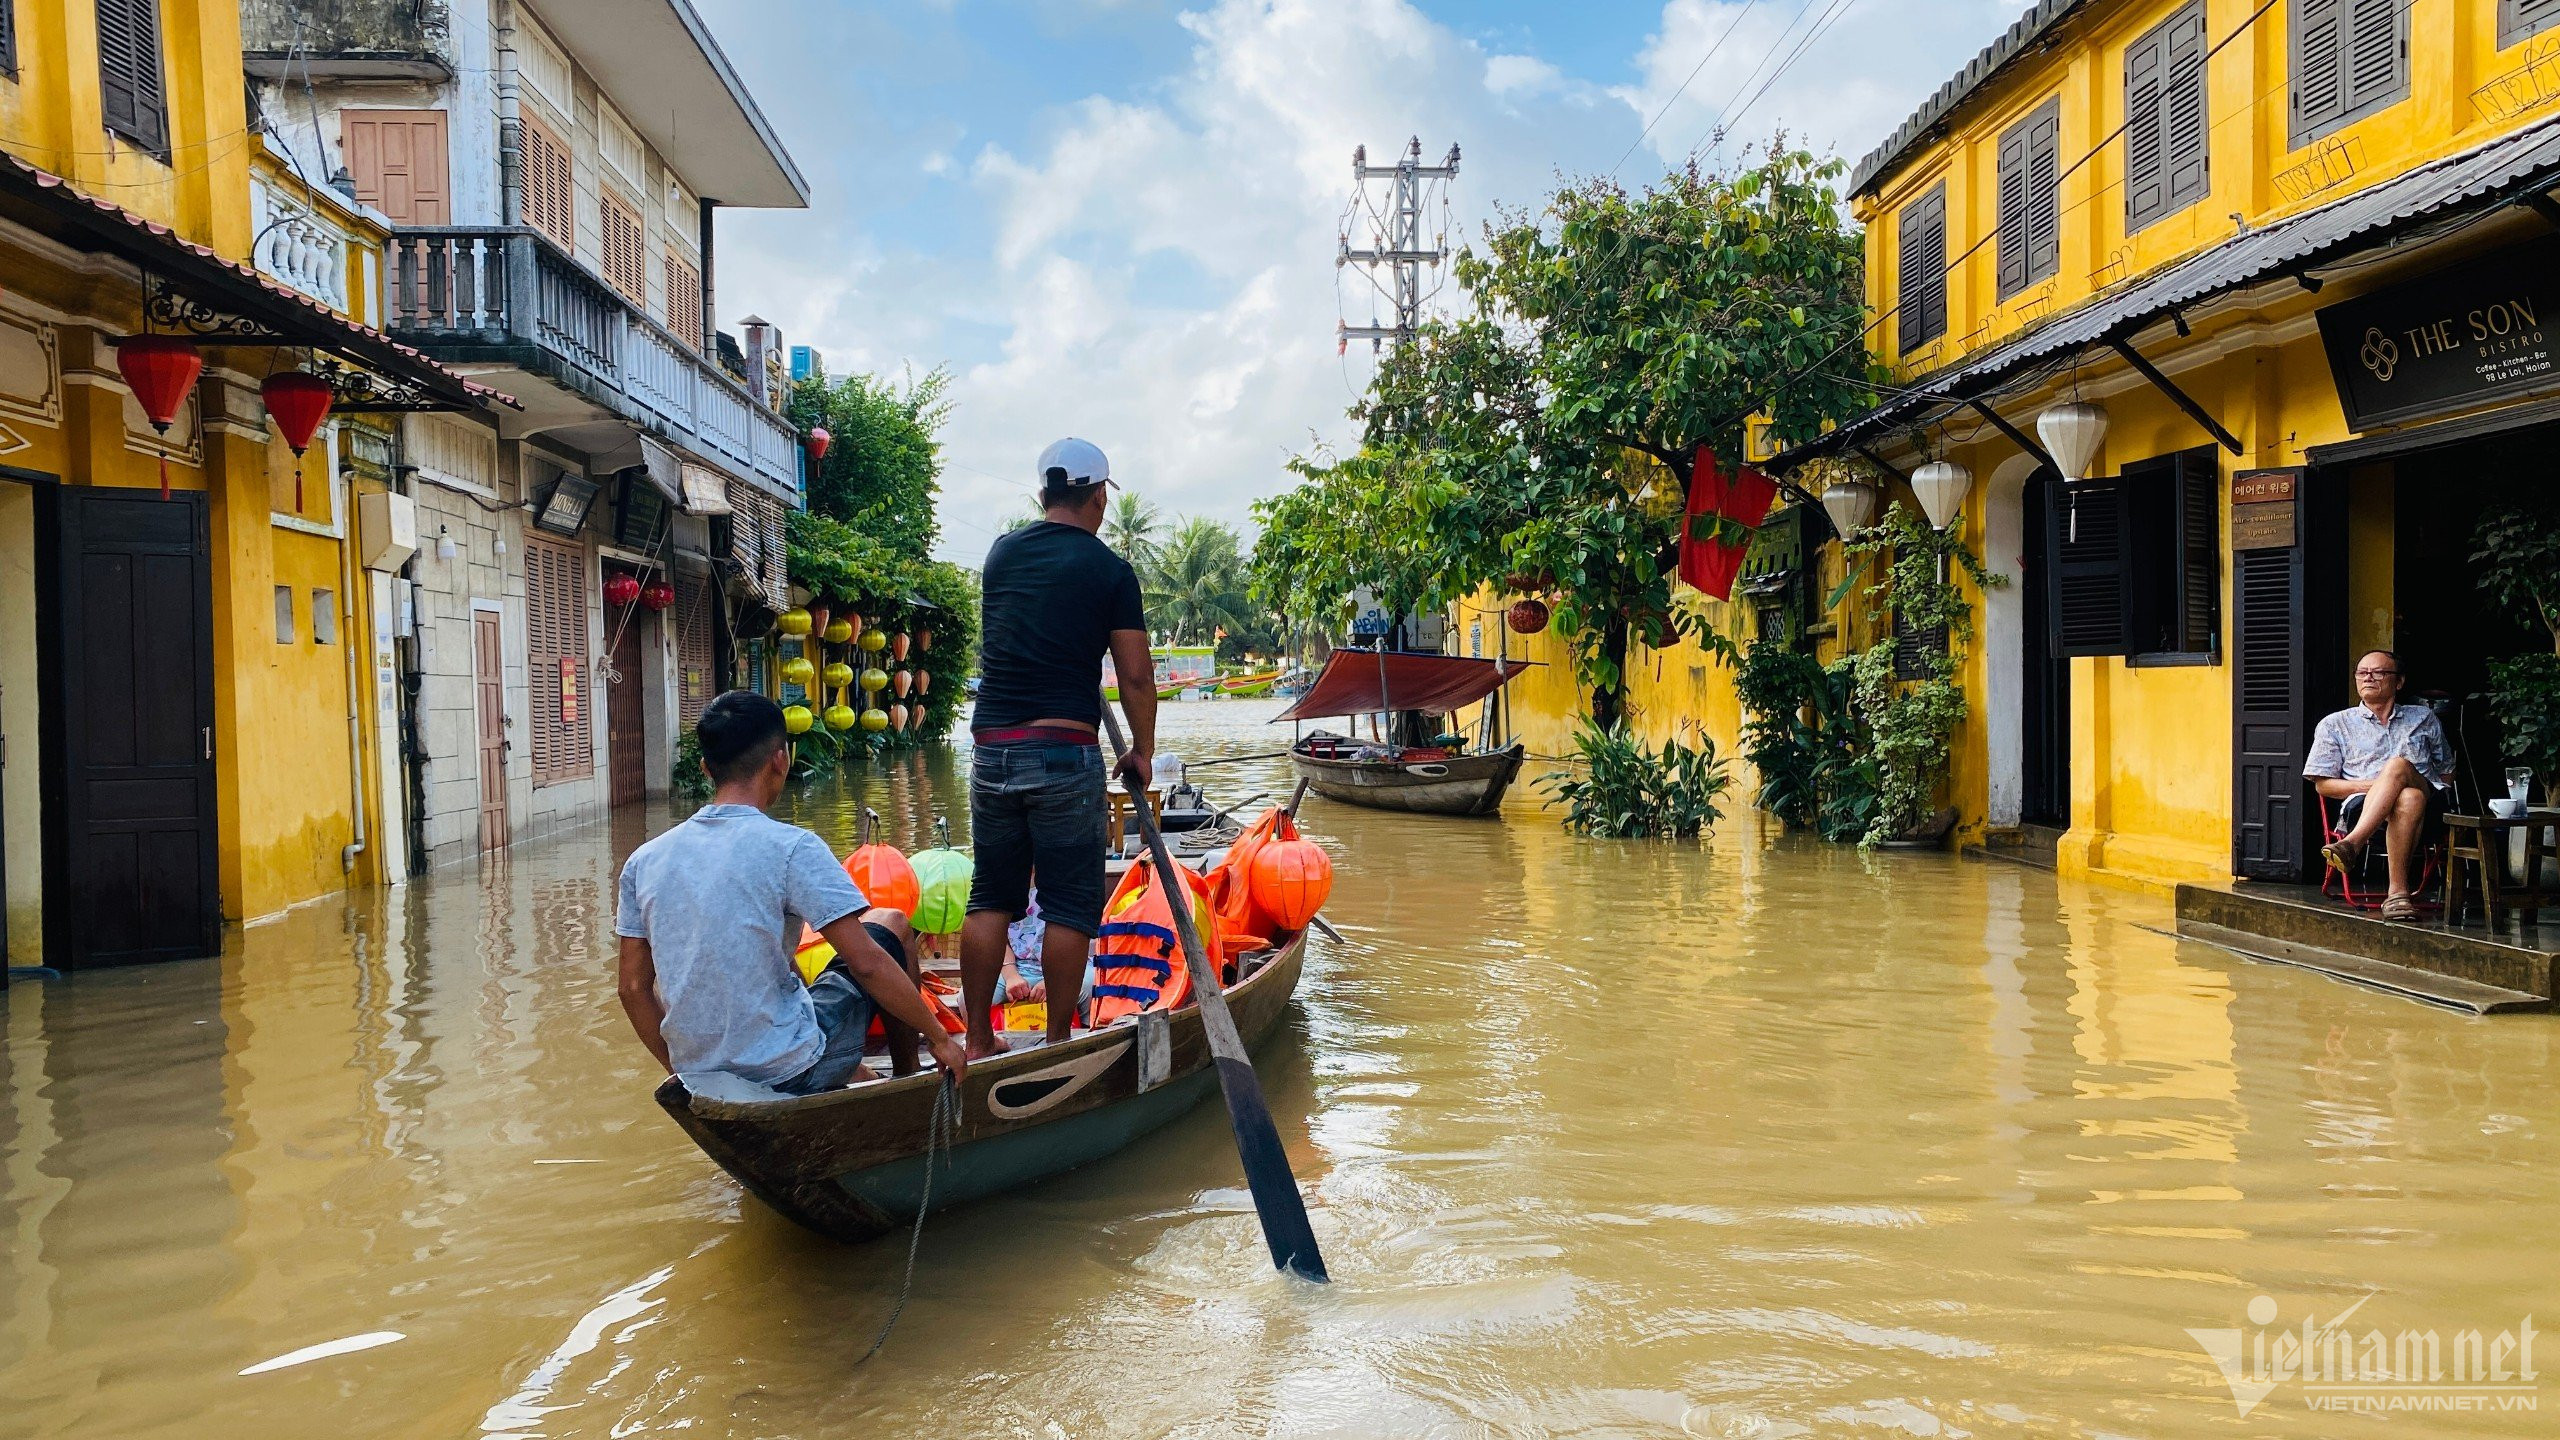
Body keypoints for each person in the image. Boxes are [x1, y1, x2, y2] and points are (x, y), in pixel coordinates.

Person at [616, 692, 968, 1091]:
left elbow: (632, 988)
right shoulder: (792, 847)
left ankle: (850, 1069)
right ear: (780, 760)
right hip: (789, 1070)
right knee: (892, 924)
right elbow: (866, 964)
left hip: (700, 1074)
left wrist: (685, 1075)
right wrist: (939, 1038)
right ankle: (909, 1078)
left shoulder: (643, 861)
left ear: (705, 768)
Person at [960, 437, 1156, 1059]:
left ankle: (979, 1037)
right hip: (1063, 751)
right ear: (1098, 498)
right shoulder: (1109, 571)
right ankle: (1058, 1039)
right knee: (1070, 905)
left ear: (1043, 495)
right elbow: (1135, 676)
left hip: (991, 748)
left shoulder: (1000, 555)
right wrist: (1141, 753)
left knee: (991, 895)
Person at [2305, 649, 2455, 921]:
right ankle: (2398, 894)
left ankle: (2352, 844)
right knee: (2408, 797)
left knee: (2399, 767)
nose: (2368, 678)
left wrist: (2398, 779)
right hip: (2364, 807)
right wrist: (2381, 787)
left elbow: (2446, 770)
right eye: (2362, 673)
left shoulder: (2423, 717)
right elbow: (2323, 785)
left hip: (2429, 806)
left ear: (2398, 682)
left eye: (2379, 672)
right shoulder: (2335, 724)